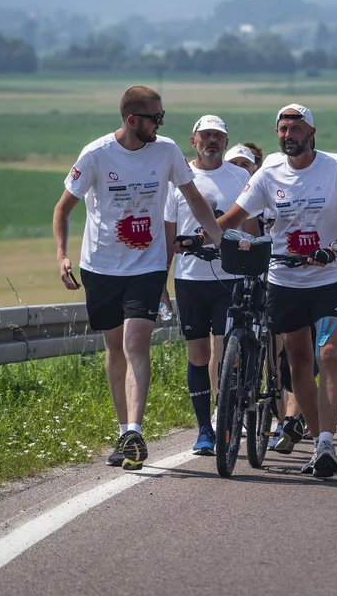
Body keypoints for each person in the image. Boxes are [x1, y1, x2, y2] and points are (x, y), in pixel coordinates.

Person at [52, 86, 224, 470]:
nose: (161, 124)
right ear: (133, 120)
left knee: (136, 341)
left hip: (147, 266)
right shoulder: (96, 155)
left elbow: (194, 199)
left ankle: (135, 429)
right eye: (156, 118)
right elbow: (62, 209)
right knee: (115, 348)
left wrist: (221, 239)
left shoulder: (166, 151)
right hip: (101, 267)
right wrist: (62, 255)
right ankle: (122, 432)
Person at [217, 104, 337, 477]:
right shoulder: (269, 170)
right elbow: (234, 217)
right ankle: (320, 445)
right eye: (283, 129)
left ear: (311, 132)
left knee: (329, 353)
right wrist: (199, 236)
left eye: (296, 128)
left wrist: (333, 249)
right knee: (298, 361)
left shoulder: (336, 167)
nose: (288, 134)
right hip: (284, 278)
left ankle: (328, 440)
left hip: (329, 275)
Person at [163, 115, 253, 455]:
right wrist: (162, 281)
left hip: (230, 279)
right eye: (206, 136)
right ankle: (203, 429)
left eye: (218, 136)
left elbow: (253, 226)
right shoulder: (179, 178)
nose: (212, 141)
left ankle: (225, 415)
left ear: (227, 143)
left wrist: (256, 269)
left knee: (226, 350)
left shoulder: (240, 176)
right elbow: (168, 235)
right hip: (190, 281)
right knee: (198, 355)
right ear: (193, 141)